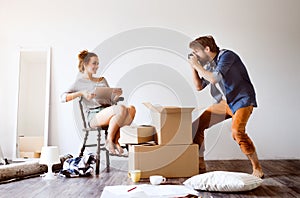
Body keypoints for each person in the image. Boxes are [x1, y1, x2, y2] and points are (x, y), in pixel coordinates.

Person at [188, 36, 264, 178]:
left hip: (242, 100)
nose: (195, 56)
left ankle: (257, 168)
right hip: (226, 102)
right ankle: (200, 162)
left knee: (237, 132)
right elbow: (199, 87)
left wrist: (197, 65)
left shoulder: (227, 56)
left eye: (197, 52)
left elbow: (214, 78)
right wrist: (193, 67)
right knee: (197, 125)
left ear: (207, 49)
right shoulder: (209, 65)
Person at [61, 50, 136, 155]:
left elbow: (112, 101)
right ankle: (110, 141)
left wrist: (116, 95)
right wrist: (81, 93)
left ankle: (115, 140)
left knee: (132, 109)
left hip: (108, 111)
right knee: (122, 109)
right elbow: (63, 98)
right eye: (94, 63)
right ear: (86, 64)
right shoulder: (79, 83)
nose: (97, 66)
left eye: (97, 63)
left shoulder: (102, 80)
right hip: (94, 116)